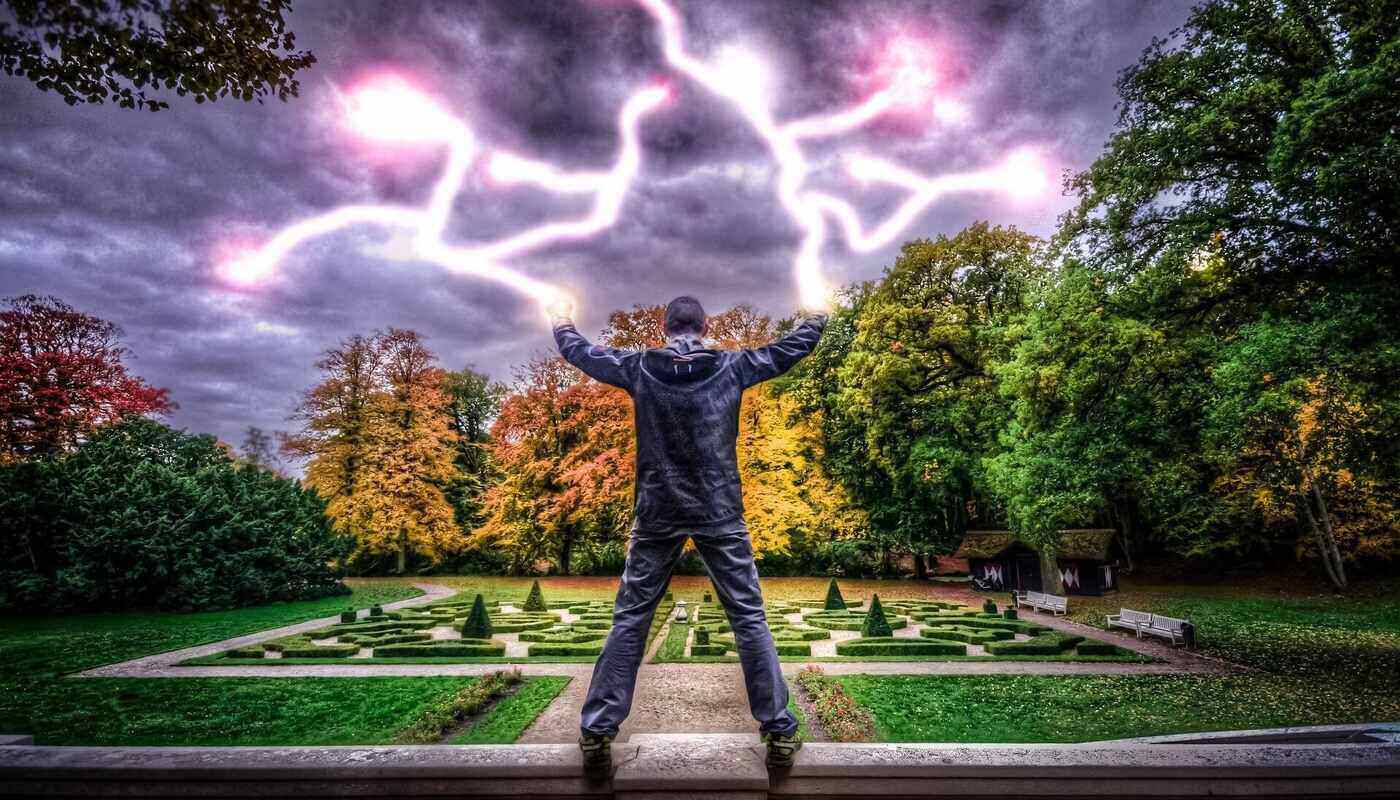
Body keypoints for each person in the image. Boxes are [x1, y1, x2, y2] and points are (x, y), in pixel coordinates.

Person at [548, 295, 827, 772]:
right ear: (704, 326)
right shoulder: (733, 367)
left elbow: (581, 352)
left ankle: (596, 731)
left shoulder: (638, 367)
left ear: (665, 327)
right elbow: (789, 349)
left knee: (631, 618)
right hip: (720, 506)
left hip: (657, 508)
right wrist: (817, 316)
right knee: (749, 617)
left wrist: (561, 319)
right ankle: (779, 731)